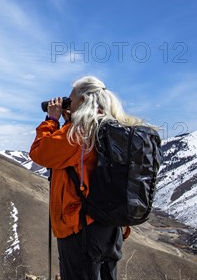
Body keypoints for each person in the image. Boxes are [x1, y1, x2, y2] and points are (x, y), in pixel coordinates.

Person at [29, 75, 142, 280]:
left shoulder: (79, 132)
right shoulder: (109, 128)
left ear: (83, 101)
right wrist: (68, 121)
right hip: (110, 226)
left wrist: (52, 120)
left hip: (82, 228)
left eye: (70, 100)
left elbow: (40, 153)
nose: (67, 104)